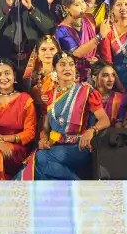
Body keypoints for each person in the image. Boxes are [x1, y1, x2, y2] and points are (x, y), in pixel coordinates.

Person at [21, 52, 110, 180]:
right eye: (62, 65)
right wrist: (43, 139)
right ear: (54, 69)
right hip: (54, 144)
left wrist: (91, 130)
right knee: (39, 169)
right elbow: (45, 128)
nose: (67, 68)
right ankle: (77, 188)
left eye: (71, 65)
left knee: (40, 158)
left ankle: (79, 187)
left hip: (78, 147)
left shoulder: (86, 91)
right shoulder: (49, 95)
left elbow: (105, 120)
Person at [55, 0, 102, 79]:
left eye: (83, 2)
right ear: (66, 8)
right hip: (75, 74)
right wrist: (100, 36)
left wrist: (97, 59)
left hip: (95, 70)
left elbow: (95, 49)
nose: (82, 6)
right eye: (77, 4)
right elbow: (76, 54)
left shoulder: (89, 19)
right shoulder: (61, 30)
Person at [23, 33, 60, 107]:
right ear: (37, 54)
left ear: (58, 51)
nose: (48, 53)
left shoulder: (64, 73)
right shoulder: (31, 78)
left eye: (52, 49)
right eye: (43, 49)